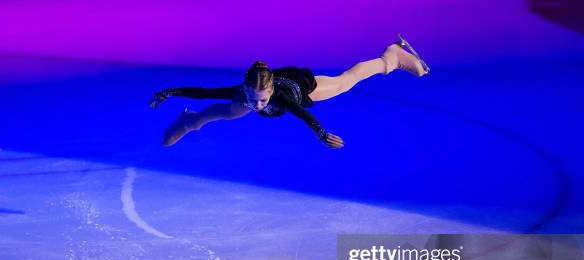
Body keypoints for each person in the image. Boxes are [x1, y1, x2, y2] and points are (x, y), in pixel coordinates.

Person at [150, 34, 429, 149]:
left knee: (345, 82)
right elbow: (205, 92)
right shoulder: (244, 94)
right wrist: (170, 91)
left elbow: (300, 114)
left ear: (270, 91)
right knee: (222, 111)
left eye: (262, 99)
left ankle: (390, 58)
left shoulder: (280, 96)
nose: (258, 105)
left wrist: (321, 133)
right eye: (253, 99)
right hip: (257, 86)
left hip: (299, 85)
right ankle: (188, 121)